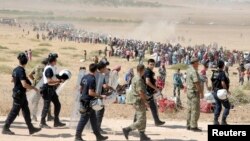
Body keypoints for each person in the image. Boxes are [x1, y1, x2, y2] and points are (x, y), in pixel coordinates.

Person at [2, 52, 41, 135]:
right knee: (14, 112)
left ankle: (31, 128)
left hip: (20, 94)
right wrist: (33, 88)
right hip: (19, 95)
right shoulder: (21, 70)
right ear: (26, 61)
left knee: (26, 111)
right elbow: (24, 84)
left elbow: (13, 80)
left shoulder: (15, 69)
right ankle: (5, 128)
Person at [75, 64, 108, 141]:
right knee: (83, 120)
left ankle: (98, 136)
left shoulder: (85, 77)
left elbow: (80, 88)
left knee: (93, 120)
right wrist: (100, 96)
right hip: (88, 102)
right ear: (96, 70)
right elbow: (90, 92)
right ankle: (77, 136)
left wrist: (83, 95)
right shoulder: (92, 79)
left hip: (85, 101)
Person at [123, 64, 151, 141]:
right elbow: (140, 92)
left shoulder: (135, 78)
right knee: (141, 120)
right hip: (139, 101)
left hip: (137, 100)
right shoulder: (139, 79)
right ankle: (127, 129)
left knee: (143, 118)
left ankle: (142, 135)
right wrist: (145, 102)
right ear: (142, 70)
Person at [40, 53, 66, 128]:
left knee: (57, 104)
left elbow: (55, 76)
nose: (56, 61)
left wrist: (61, 77)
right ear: (53, 61)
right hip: (47, 88)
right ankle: (42, 122)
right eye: (56, 59)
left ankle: (56, 121)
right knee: (46, 106)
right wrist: (59, 81)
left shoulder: (52, 67)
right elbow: (49, 81)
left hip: (51, 89)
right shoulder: (49, 69)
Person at [144, 59, 165, 126]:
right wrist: (155, 88)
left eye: (153, 64)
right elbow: (147, 81)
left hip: (147, 92)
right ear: (148, 64)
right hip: (147, 92)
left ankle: (157, 121)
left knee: (144, 107)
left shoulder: (149, 71)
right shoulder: (148, 71)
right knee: (153, 107)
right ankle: (157, 121)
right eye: (150, 64)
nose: (152, 66)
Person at [211, 60, 231, 125]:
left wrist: (212, 89)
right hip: (221, 92)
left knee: (218, 106)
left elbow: (212, 81)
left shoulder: (214, 72)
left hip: (215, 92)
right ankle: (223, 121)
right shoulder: (222, 73)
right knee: (227, 106)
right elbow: (223, 83)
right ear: (223, 66)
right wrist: (227, 91)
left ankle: (215, 121)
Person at [186, 57, 202, 132]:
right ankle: (193, 126)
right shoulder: (193, 71)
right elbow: (196, 83)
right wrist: (201, 92)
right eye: (197, 62)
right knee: (195, 110)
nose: (198, 64)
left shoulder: (189, 70)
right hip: (194, 92)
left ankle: (188, 124)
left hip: (189, 92)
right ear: (194, 63)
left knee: (189, 109)